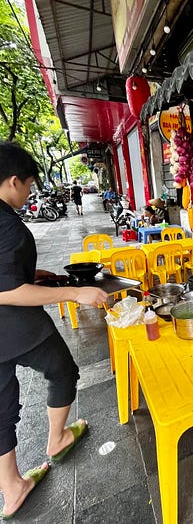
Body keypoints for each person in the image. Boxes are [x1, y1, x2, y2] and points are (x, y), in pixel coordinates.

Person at [0, 141, 108, 519]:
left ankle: (12, 488)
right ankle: (57, 438)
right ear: (13, 181)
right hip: (14, 329)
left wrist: (35, 275)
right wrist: (77, 292)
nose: (29, 191)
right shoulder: (7, 225)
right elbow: (7, 290)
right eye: (28, 184)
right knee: (63, 371)